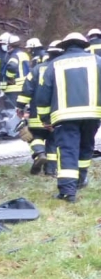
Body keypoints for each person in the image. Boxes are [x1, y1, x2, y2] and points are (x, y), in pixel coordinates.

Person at [35, 32, 101, 202]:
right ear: (84, 45)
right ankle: (80, 180)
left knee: (68, 151)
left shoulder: (54, 64)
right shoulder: (97, 61)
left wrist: (44, 118)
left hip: (64, 118)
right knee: (86, 147)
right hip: (93, 115)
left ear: (64, 46)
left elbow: (43, 93)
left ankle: (67, 192)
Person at [16, 40, 61, 175]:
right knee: (53, 141)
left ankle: (39, 153)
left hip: (37, 112)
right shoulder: (64, 68)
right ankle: (50, 170)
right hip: (57, 113)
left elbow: (27, 89)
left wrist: (20, 106)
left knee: (35, 135)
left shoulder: (37, 69)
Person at [0, 34, 30, 107]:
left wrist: (9, 77)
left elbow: (12, 66)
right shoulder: (24, 54)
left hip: (13, 89)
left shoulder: (14, 55)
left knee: (12, 111)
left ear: (9, 45)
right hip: (24, 88)